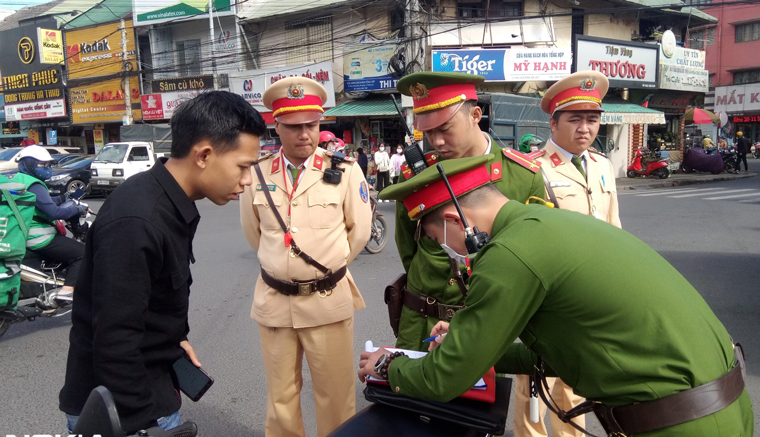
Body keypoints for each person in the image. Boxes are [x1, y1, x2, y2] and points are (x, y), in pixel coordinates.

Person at [361, 156, 754, 437]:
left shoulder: (508, 254)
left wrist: (386, 366)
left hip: (680, 423)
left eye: (435, 239)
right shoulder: (546, 221)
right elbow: (565, 350)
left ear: (453, 222)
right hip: (720, 406)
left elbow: (445, 380)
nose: (444, 250)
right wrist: (478, 347)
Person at [59, 91, 265, 434]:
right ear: (203, 155)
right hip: (123, 410)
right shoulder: (138, 219)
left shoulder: (169, 202)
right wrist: (144, 425)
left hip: (152, 385)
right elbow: (114, 338)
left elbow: (147, 301)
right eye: (243, 166)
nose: (247, 180)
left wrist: (173, 337)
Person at [239, 76, 371, 437]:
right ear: (276, 125)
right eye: (294, 127)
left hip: (327, 299)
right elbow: (255, 234)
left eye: (311, 125)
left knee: (336, 398)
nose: (304, 135)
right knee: (281, 399)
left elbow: (358, 232)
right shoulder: (257, 174)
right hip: (274, 302)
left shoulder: (344, 170)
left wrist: (322, 270)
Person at [393, 71, 545, 351]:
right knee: (410, 392)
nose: (436, 141)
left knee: (481, 394)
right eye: (428, 132)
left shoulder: (522, 176)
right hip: (419, 320)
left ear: (475, 115)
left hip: (483, 323)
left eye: (445, 128)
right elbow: (408, 246)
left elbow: (534, 256)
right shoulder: (416, 175)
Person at [513, 71, 619, 437]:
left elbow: (613, 229)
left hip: (590, 293)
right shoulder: (532, 168)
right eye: (575, 119)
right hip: (546, 295)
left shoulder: (603, 166)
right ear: (553, 121)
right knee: (533, 377)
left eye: (592, 120)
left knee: (576, 376)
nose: (585, 129)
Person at [13, 145, 87, 301]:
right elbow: (54, 213)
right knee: (82, 254)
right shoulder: (35, 184)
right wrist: (78, 209)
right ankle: (67, 291)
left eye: (48, 165)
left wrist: (64, 197)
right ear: (29, 164)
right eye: (42, 165)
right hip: (40, 237)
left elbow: (41, 202)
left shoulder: (21, 179)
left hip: (25, 234)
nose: (47, 168)